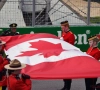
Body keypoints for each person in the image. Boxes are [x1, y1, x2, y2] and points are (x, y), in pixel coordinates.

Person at [60, 20, 75, 90]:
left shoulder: (71, 34)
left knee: (68, 72)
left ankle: (68, 87)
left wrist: (64, 43)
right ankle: (65, 85)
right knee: (63, 71)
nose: (62, 29)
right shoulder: (63, 33)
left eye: (63, 28)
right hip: (64, 54)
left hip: (69, 55)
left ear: (66, 27)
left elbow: (71, 46)